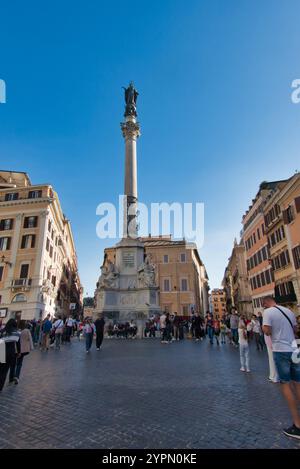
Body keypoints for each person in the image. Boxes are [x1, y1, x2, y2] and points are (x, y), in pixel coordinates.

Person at [262, 296, 300, 440]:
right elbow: (295, 329)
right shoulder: (289, 311)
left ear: (266, 303)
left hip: (281, 350)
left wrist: (265, 328)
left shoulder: (268, 312)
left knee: (285, 384)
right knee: (298, 382)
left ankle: (297, 425)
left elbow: (267, 331)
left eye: (264, 304)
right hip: (295, 348)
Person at [0, 319, 20, 391]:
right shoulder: (17, 332)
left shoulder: (2, 331)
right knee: (4, 370)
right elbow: (18, 344)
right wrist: (19, 352)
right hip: (10, 352)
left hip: (1, 349)